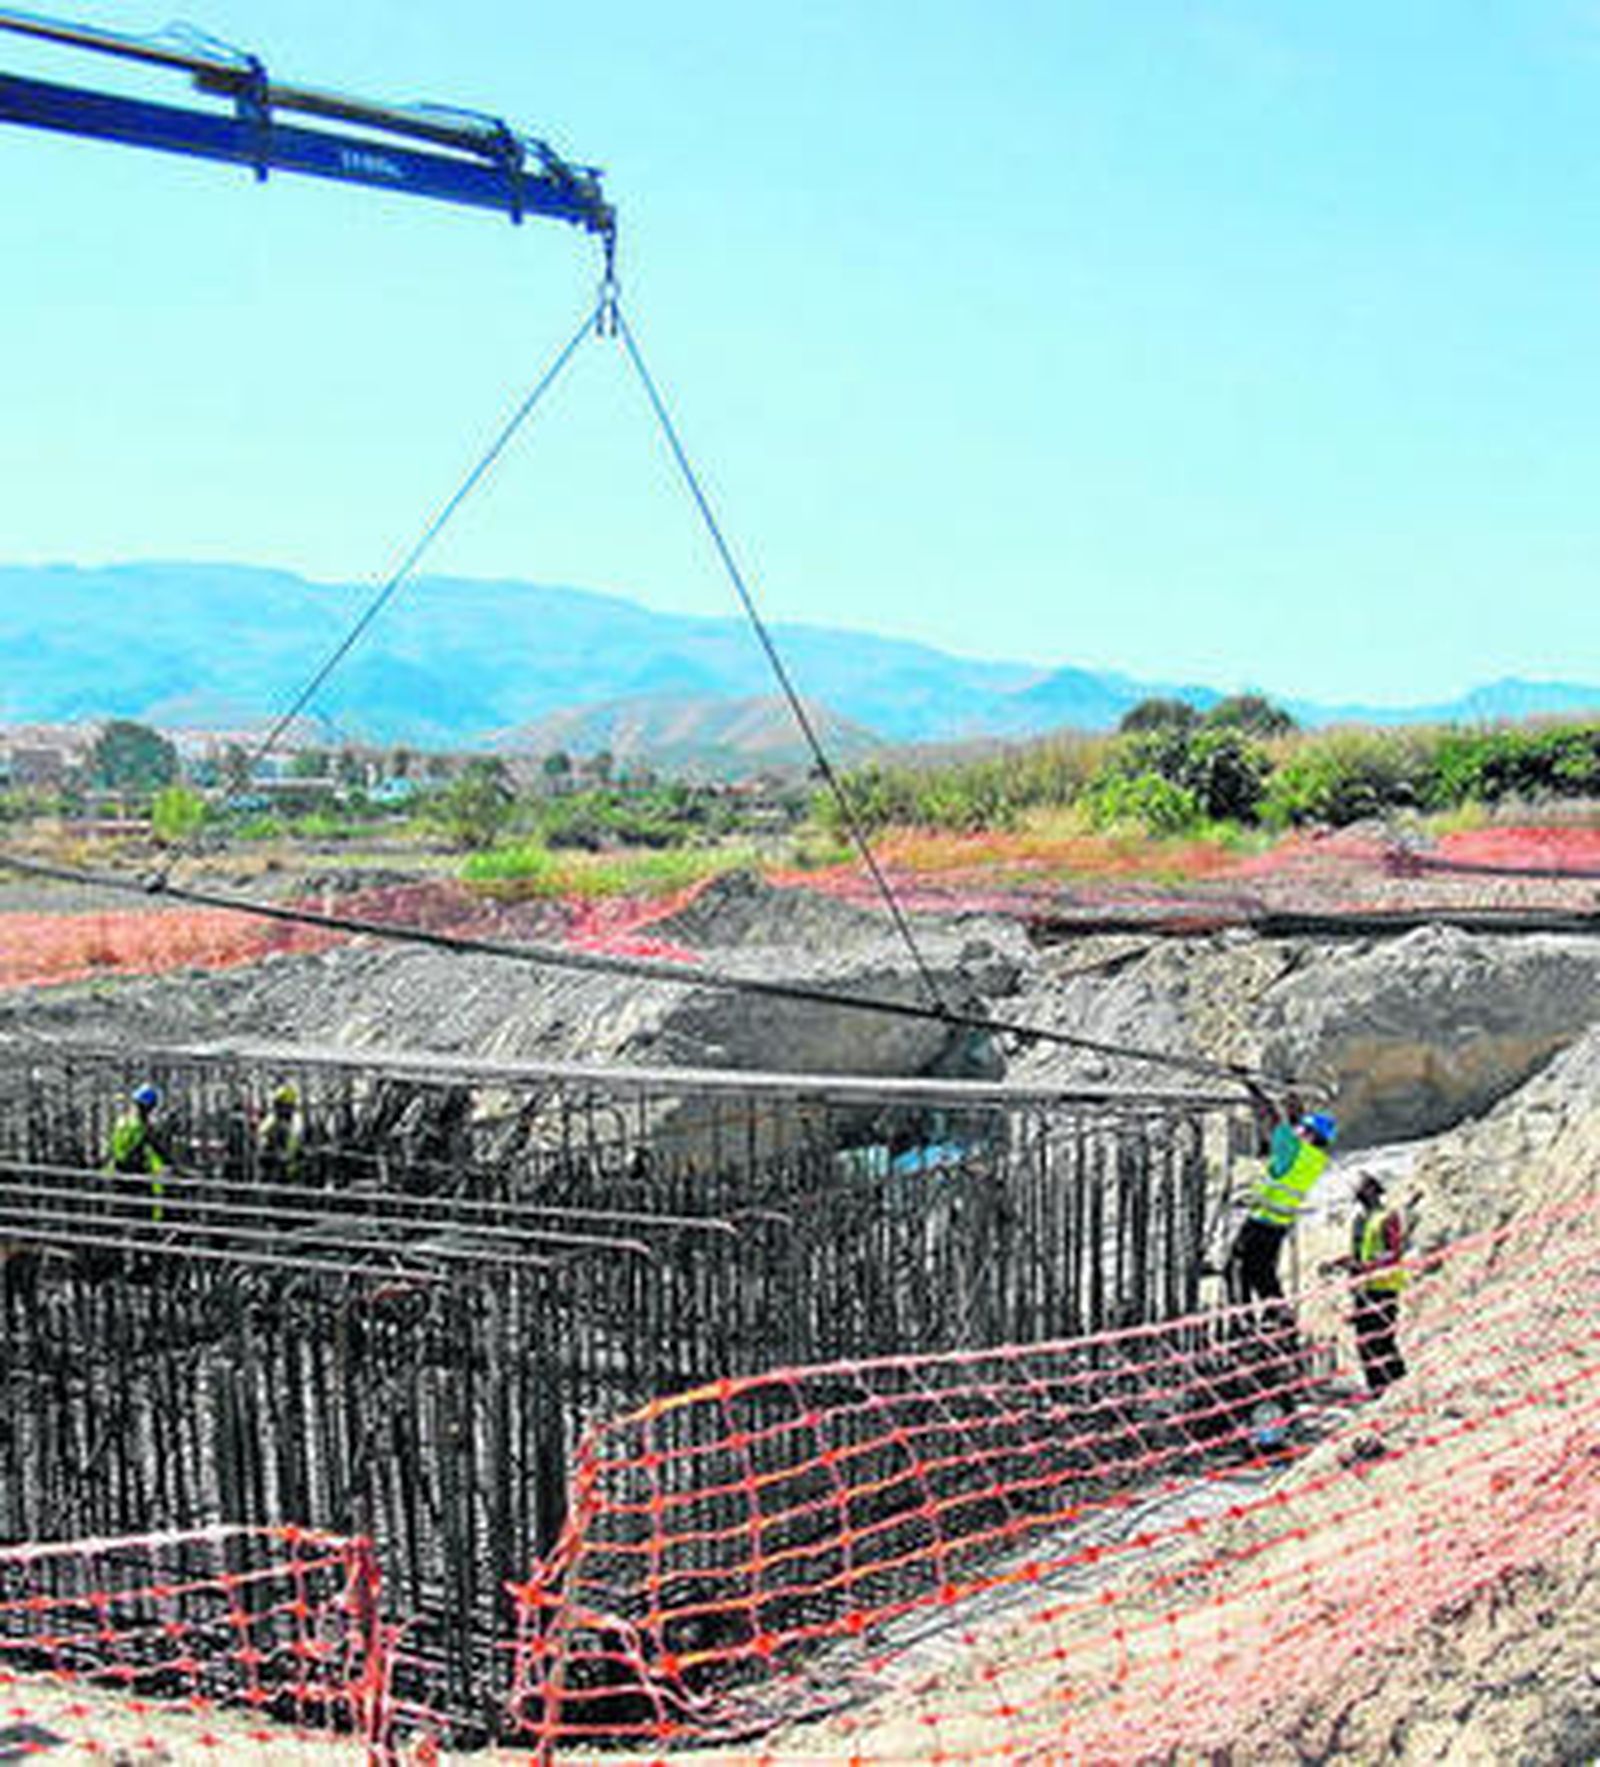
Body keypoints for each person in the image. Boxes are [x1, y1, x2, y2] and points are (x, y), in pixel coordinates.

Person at [1229, 1098, 1338, 1305]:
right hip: (1277, 1224)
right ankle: (1274, 1315)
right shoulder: (1313, 1159)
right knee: (1261, 1273)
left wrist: (1258, 1094)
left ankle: (1246, 1316)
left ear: (1311, 1135)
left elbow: (1276, 1125)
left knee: (1239, 1268)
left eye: (1303, 1129)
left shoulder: (1294, 1150)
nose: (1298, 1131)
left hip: (1263, 1222)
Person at [1345, 1173, 1408, 1395]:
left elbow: (1394, 1252)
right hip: (1363, 1289)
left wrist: (1369, 1266)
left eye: (1361, 1188)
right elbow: (1357, 1254)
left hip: (1383, 1288)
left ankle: (1398, 1386)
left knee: (1382, 1341)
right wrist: (1343, 1265)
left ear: (1373, 1190)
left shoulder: (1388, 1217)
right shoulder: (1359, 1221)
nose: (1357, 1193)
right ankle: (1377, 1389)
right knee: (1364, 1343)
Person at [105, 1081, 170, 1224]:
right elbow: (154, 1146)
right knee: (142, 1210)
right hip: (134, 1173)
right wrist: (169, 1163)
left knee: (120, 1212)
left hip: (117, 1171)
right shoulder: (140, 1125)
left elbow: (113, 1147)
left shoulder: (122, 1120)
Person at [256, 1081, 306, 1186]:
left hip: (291, 1169)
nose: (283, 1109)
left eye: (287, 1105)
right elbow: (261, 1137)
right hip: (272, 1166)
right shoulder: (272, 1119)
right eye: (280, 1105)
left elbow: (298, 1143)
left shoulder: (297, 1121)